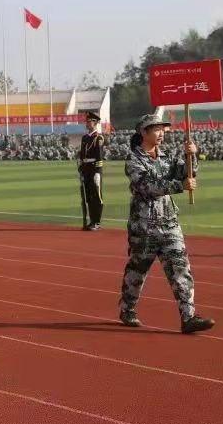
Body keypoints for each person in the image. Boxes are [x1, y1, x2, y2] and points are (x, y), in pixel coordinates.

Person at [119, 114, 215, 334]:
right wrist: (180, 186)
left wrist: (191, 156)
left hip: (169, 223)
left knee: (180, 268)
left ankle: (188, 317)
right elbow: (147, 187)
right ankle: (127, 309)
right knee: (138, 270)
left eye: (163, 129)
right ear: (143, 132)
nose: (161, 133)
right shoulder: (134, 160)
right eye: (156, 129)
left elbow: (187, 172)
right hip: (144, 226)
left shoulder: (167, 156)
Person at [79, 111, 106, 230]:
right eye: (86, 121)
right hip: (86, 170)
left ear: (95, 123)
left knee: (96, 197)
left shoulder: (98, 138)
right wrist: (81, 170)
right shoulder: (85, 138)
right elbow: (82, 156)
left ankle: (96, 222)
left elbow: (99, 156)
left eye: (89, 121)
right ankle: (91, 221)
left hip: (94, 169)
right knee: (89, 197)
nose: (87, 123)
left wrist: (97, 172)